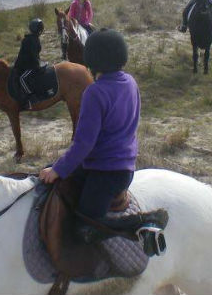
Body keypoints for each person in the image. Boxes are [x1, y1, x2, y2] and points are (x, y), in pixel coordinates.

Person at [39, 29, 166, 252]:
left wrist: (58, 168)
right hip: (119, 166)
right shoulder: (130, 82)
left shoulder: (95, 93)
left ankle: (142, 223)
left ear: (93, 61)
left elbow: (84, 144)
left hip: (106, 173)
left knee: (84, 228)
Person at [13, 18, 44, 109]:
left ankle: (31, 97)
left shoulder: (29, 40)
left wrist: (37, 66)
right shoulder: (34, 39)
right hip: (30, 64)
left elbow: (32, 55)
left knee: (22, 79)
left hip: (30, 66)